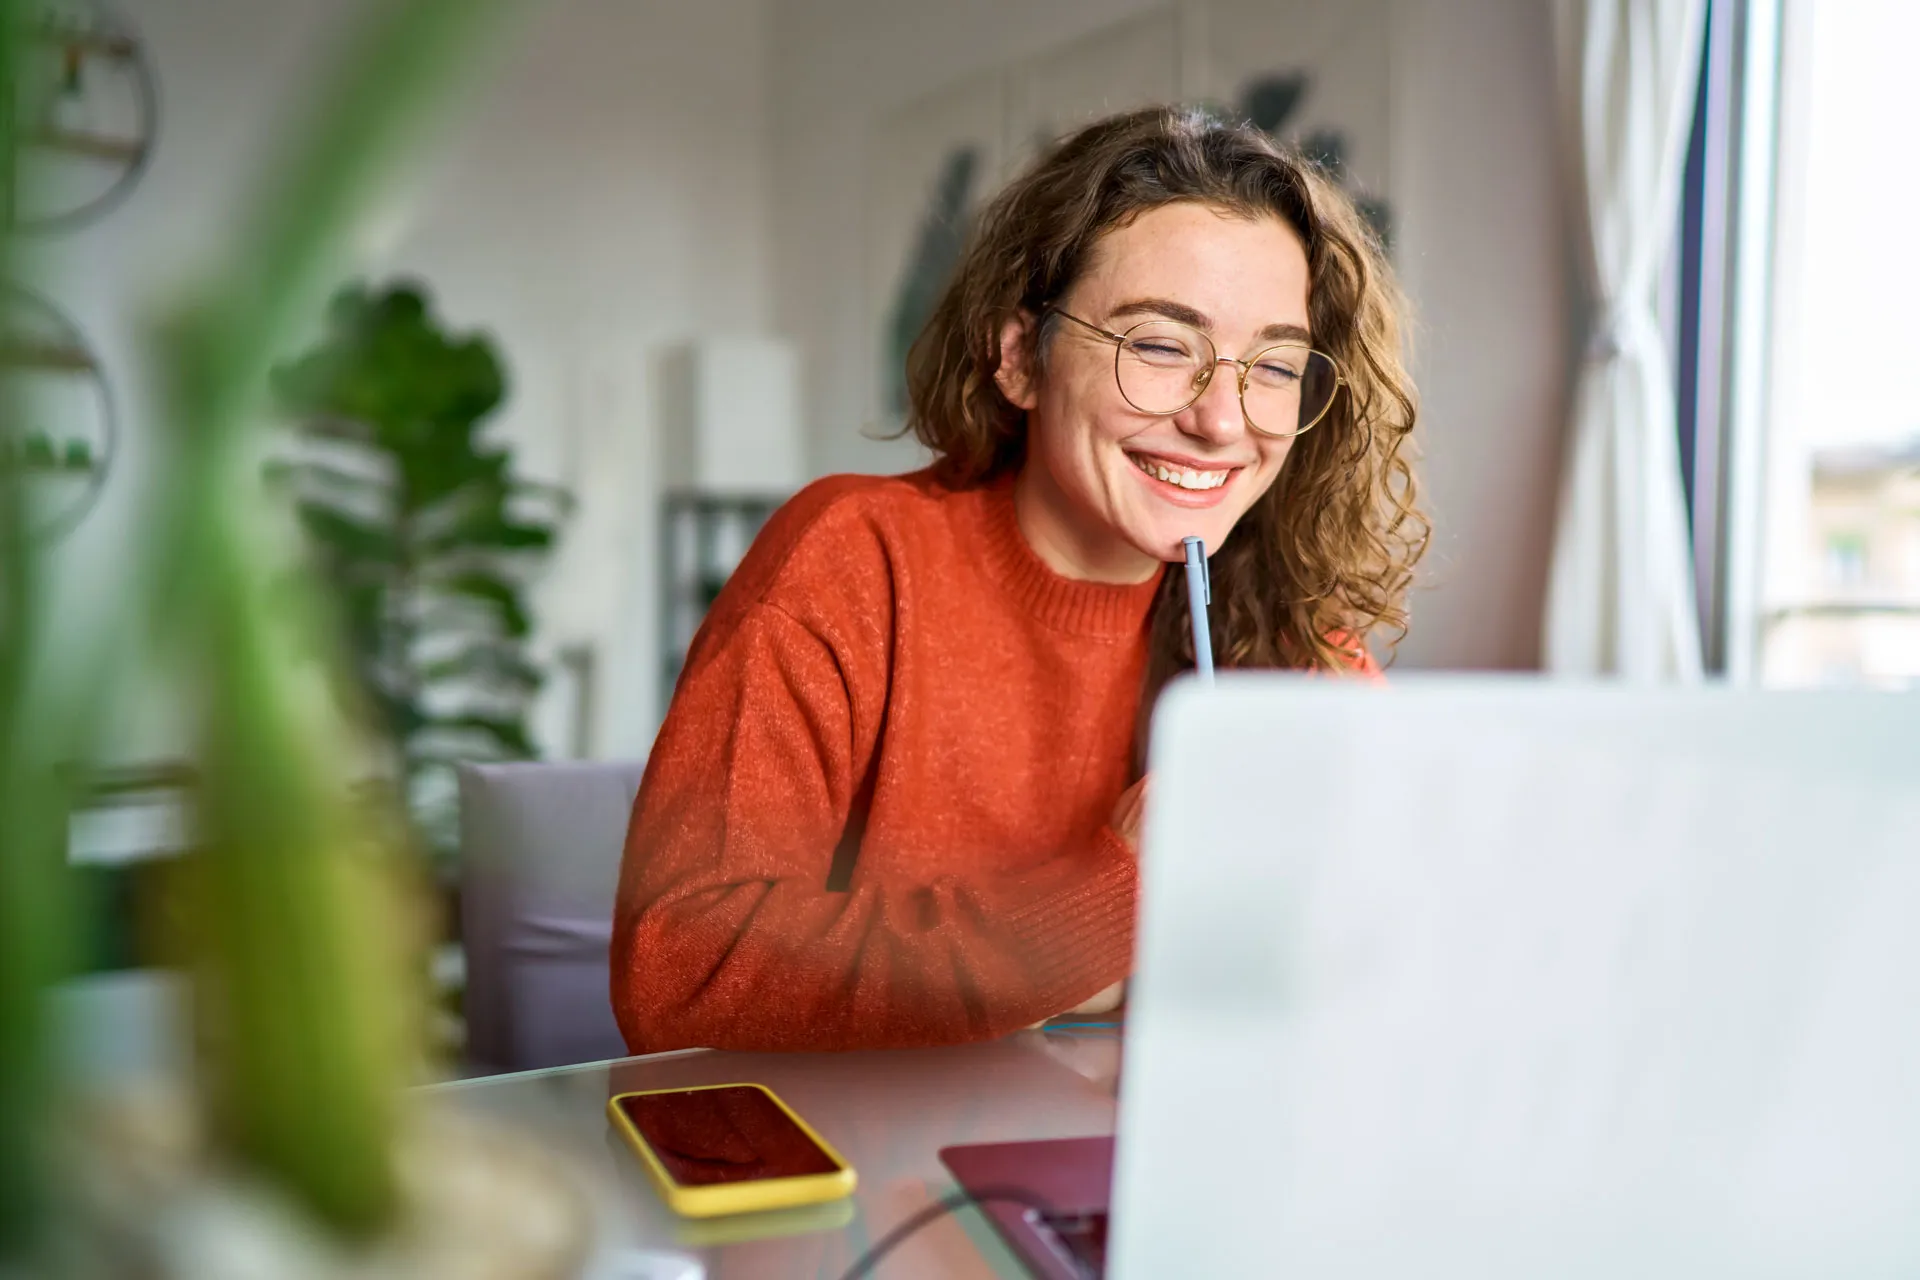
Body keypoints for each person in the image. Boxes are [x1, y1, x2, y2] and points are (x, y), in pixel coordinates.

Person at [611, 104, 1426, 1054]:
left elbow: (1378, 956)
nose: (1222, 420)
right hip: (863, 1176)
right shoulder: (852, 561)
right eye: (1161, 346)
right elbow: (680, 971)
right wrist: (1113, 898)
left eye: (1274, 366)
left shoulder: (1289, 623)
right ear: (1018, 359)